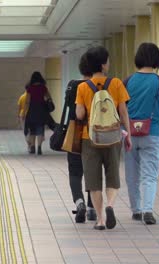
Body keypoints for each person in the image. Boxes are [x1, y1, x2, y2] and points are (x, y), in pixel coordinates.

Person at [75, 46, 132, 230]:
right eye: (107, 60)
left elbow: (80, 114)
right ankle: (110, 206)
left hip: (89, 137)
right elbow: (123, 112)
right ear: (103, 64)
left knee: (93, 181)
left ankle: (100, 220)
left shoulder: (83, 87)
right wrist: (128, 134)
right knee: (112, 175)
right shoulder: (116, 83)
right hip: (113, 136)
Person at [123, 43, 159, 225]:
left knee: (132, 174)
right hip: (151, 134)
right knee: (149, 174)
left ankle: (136, 210)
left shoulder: (128, 81)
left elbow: (118, 108)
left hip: (129, 135)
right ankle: (148, 211)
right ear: (157, 60)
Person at [68, 54, 96, 223]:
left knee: (75, 171)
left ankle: (80, 203)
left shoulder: (73, 85)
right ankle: (93, 208)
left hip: (75, 134)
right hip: (95, 134)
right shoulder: (100, 86)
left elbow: (71, 112)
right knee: (93, 171)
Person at [22, 71, 52, 155]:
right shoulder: (43, 88)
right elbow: (49, 98)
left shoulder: (30, 88)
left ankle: (32, 147)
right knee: (40, 129)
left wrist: (24, 112)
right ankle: (39, 147)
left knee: (32, 130)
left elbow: (27, 102)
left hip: (32, 110)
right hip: (41, 110)